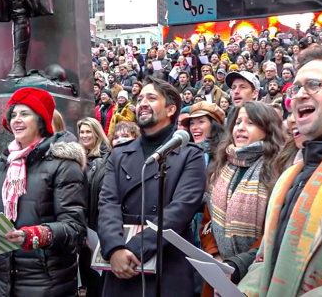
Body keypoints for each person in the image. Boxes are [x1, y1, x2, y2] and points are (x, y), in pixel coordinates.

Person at [238, 48, 322, 296]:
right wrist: (245, 291)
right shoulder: (292, 174)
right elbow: (266, 258)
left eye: (313, 85)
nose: (299, 95)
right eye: (296, 87)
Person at [0, 87, 86, 297]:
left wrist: (36, 235)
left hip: (47, 284)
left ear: (41, 121)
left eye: (25, 113)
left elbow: (74, 228)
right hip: (4, 284)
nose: (16, 120)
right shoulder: (1, 165)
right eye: (13, 115)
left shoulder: (63, 165)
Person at [98, 76, 206, 297]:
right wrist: (115, 248)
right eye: (139, 99)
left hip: (168, 263)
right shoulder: (119, 154)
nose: (142, 103)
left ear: (171, 110)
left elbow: (181, 209)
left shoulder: (191, 155)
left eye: (151, 98)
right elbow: (108, 202)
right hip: (122, 265)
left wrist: (135, 249)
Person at [200, 101, 284, 297]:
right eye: (237, 122)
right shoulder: (222, 167)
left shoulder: (278, 171)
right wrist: (217, 256)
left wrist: (238, 265)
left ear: (268, 129)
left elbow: (273, 232)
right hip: (219, 273)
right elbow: (208, 220)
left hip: (258, 275)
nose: (240, 128)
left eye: (250, 123)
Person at [77, 117, 110, 297]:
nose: (85, 135)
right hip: (82, 224)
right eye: (82, 132)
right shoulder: (77, 157)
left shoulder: (105, 157)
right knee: (87, 275)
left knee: (98, 279)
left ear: (97, 133)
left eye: (88, 131)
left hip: (96, 225)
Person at [181, 102, 227, 166]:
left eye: (201, 122)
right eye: (192, 123)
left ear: (214, 125)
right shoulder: (185, 152)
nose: (194, 127)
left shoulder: (225, 154)